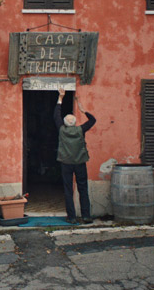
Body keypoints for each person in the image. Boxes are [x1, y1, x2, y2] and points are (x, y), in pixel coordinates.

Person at [54, 87, 96, 224]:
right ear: (74, 123)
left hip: (66, 163)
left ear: (65, 123)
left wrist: (60, 97)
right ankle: (86, 216)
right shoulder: (80, 129)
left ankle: (71, 217)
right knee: (83, 189)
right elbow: (93, 120)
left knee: (68, 190)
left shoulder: (61, 130)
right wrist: (84, 111)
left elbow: (56, 115)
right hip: (80, 163)